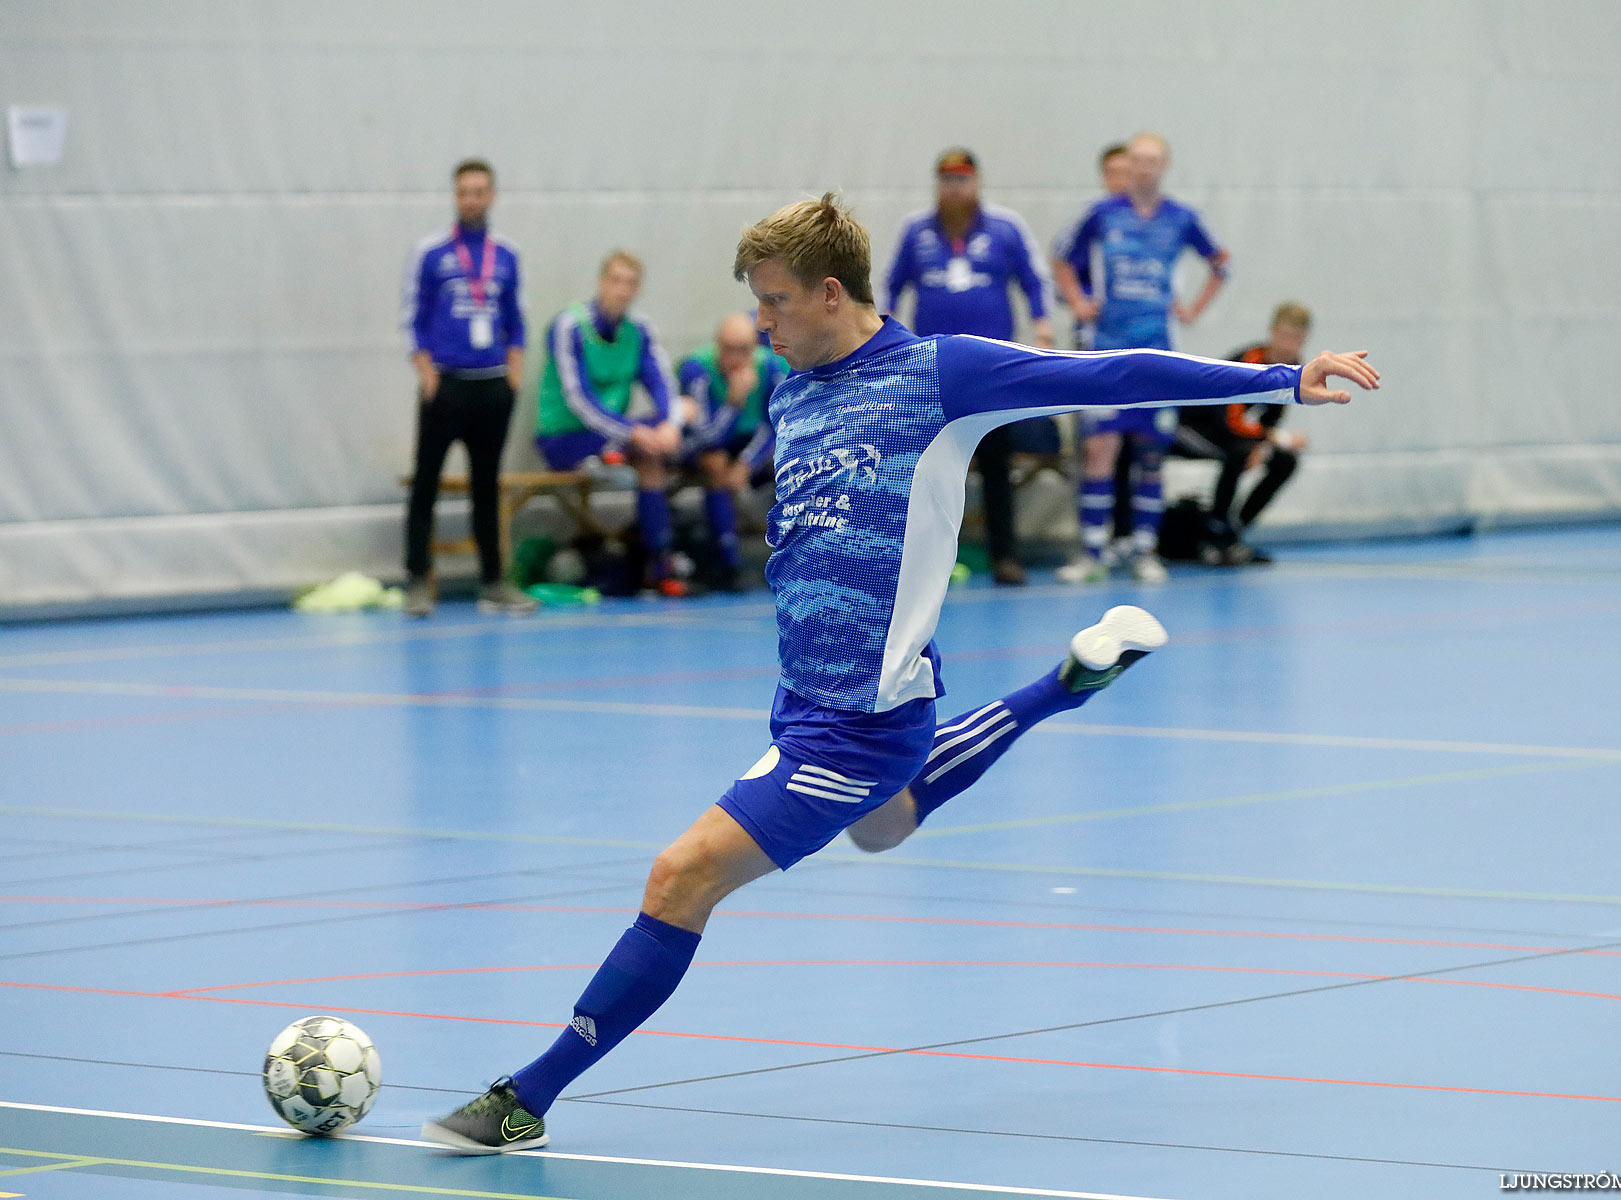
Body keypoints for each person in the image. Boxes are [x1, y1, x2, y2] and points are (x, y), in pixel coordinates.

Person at [422, 193, 1376, 1152]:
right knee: (879, 830)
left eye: (777, 302)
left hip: (860, 725)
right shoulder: (789, 386)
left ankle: (525, 1098)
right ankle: (1064, 685)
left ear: (832, 294)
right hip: (806, 708)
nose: (764, 324)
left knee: (680, 877)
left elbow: (1108, 372)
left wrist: (1285, 377)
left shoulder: (940, 375)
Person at [1052, 132, 1232, 584]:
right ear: (1126, 166)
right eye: (1136, 160)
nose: (1143, 168)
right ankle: (1092, 552)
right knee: (1100, 449)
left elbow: (1220, 263)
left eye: (1152, 161)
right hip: (1107, 349)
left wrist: (1192, 308)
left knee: (1151, 452)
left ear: (1164, 166)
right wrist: (1078, 301)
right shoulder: (1102, 214)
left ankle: (1144, 551)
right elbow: (1060, 258)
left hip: (1158, 350)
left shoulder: (1181, 217)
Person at [884, 148, 1055, 587]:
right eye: (946, 180)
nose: (954, 189)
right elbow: (891, 285)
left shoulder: (1005, 228)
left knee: (997, 461)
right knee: (931, 464)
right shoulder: (917, 230)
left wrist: (1043, 329)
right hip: (931, 365)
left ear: (976, 182)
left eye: (962, 180)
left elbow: (1034, 281)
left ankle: (1006, 557)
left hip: (990, 367)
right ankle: (928, 560)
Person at [400, 158, 539, 617]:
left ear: (492, 195)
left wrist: (513, 372)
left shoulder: (507, 254)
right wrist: (427, 374)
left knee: (486, 485)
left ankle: (493, 583)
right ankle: (418, 581)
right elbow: (414, 318)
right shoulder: (432, 252)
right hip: (446, 385)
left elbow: (516, 319)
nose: (473, 199)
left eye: (480, 191)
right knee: (426, 483)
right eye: (465, 192)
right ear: (455, 197)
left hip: (492, 385)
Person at [536, 251, 687, 596]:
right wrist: (632, 431)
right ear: (601, 283)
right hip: (565, 436)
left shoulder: (639, 331)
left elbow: (661, 383)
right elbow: (579, 399)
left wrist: (670, 424)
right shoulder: (569, 327)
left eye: (631, 284)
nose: (622, 290)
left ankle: (659, 562)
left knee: (658, 450)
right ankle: (646, 557)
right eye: (616, 281)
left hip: (614, 436)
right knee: (643, 447)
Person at [1173, 303, 1314, 565]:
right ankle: (1213, 536)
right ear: (1272, 333)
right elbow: (1230, 420)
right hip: (1189, 427)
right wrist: (1275, 439)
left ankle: (1233, 533)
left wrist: (1263, 446)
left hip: (1225, 432)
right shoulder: (1250, 361)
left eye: (1295, 339)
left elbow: (1270, 418)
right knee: (1238, 453)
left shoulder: (1292, 369)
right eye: (1283, 336)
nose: (1287, 344)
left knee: (1285, 461)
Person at [675, 313, 786, 590]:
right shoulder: (697, 370)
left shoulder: (770, 368)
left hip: (752, 444)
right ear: (717, 345)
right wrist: (734, 402)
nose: (736, 358)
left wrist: (747, 463)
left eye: (743, 350)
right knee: (716, 464)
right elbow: (705, 436)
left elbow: (776, 427)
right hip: (707, 446)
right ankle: (728, 563)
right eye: (728, 349)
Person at [1054, 142, 1131, 352]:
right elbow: (1060, 258)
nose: (1120, 180)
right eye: (1112, 173)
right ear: (1104, 177)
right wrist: (1078, 303)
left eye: (1126, 172)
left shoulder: (1153, 219)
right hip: (1097, 330)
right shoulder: (1093, 216)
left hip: (1140, 328)